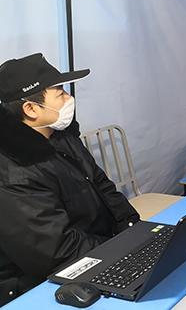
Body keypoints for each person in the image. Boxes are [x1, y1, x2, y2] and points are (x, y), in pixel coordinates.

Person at [0, 53, 140, 306]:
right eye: (60, 93)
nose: (69, 99)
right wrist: (119, 251)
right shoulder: (12, 172)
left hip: (96, 251)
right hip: (36, 284)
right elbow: (56, 250)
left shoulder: (61, 137)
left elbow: (103, 186)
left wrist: (133, 230)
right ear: (31, 109)